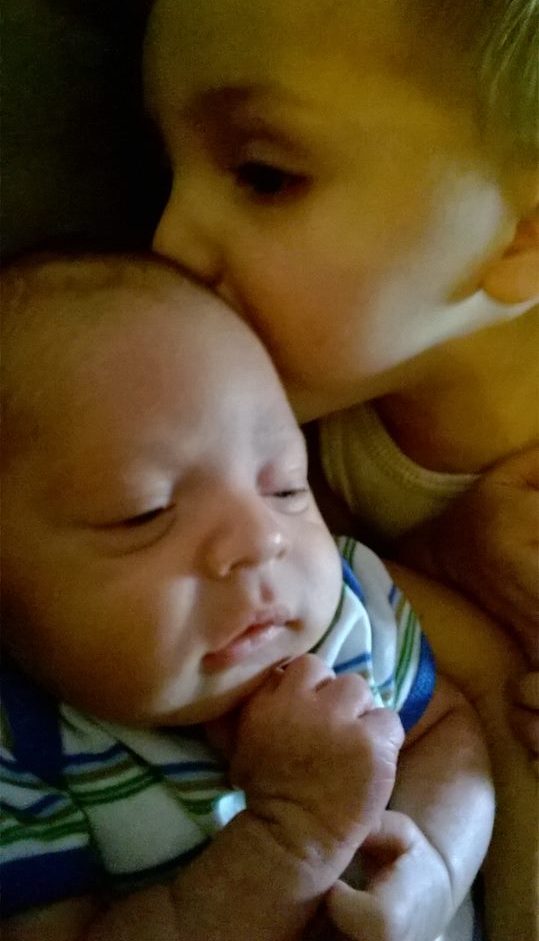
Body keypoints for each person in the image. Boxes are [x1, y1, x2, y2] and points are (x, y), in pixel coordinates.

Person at [1, 252, 494, 941]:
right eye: (145, 512)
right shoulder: (23, 756)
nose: (262, 540)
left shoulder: (349, 617)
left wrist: (437, 865)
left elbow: (449, 735)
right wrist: (289, 833)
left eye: (285, 485)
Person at [144, 0, 539, 752]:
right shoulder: (282, 440)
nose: (167, 247)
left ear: (522, 234)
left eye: (263, 175)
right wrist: (444, 554)